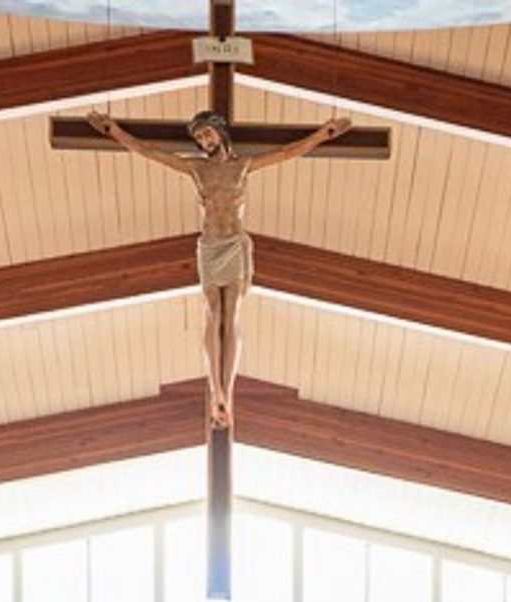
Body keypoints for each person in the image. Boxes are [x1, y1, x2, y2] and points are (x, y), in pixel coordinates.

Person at [84, 107, 351, 428]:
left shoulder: (242, 166)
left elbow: (286, 153)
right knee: (214, 312)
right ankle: (216, 389)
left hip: (235, 244)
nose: (203, 140)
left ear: (220, 131)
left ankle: (228, 392)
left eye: (206, 133)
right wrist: (113, 131)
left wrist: (325, 134)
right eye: (198, 137)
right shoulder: (196, 169)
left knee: (232, 314)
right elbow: (150, 152)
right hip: (210, 246)